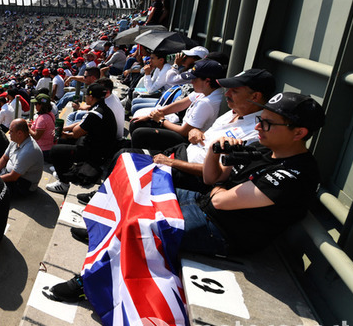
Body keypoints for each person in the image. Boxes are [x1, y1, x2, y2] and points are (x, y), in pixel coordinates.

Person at [177, 92, 325, 255]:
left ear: (298, 133)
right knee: (147, 189)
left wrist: (218, 186)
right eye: (260, 119)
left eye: (267, 123)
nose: (257, 127)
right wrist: (214, 150)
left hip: (217, 230)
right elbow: (212, 178)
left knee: (146, 230)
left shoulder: (295, 175)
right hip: (201, 202)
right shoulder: (262, 149)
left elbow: (219, 201)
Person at [130, 59, 226, 152]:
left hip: (187, 140)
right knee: (137, 123)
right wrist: (149, 116)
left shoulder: (207, 102)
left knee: (139, 134)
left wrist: (161, 120)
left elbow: (184, 132)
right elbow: (180, 104)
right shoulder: (206, 90)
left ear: (207, 81)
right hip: (183, 128)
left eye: (195, 79)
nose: (191, 82)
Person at [46, 82, 119, 196]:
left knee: (55, 151)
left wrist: (64, 133)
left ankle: (63, 184)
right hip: (100, 146)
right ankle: (64, 171)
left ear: (91, 97)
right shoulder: (101, 108)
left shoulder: (95, 114)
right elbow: (83, 123)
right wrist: (64, 129)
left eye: (86, 95)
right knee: (63, 140)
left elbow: (76, 133)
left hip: (97, 153)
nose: (85, 97)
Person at [0, 119, 44, 197]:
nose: (9, 133)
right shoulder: (15, 141)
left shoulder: (29, 151)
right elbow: (4, 158)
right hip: (9, 173)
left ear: (19, 133)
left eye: (11, 131)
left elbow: (13, 176)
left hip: (22, 183)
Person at [29, 94, 57, 161]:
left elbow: (36, 136)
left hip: (43, 151)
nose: (35, 106)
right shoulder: (50, 114)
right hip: (49, 147)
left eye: (36, 104)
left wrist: (28, 128)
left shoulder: (42, 118)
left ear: (40, 105)